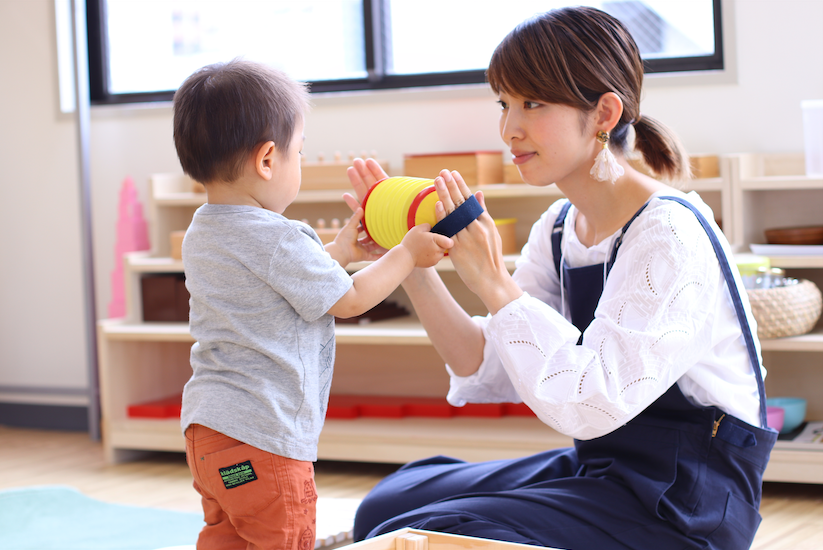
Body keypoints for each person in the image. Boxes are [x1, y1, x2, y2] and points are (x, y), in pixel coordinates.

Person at [345, 7, 776, 550]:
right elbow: (486, 363)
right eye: (504, 103)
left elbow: (591, 402)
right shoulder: (560, 227)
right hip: (602, 470)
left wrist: (495, 285)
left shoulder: (667, 235)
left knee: (425, 534)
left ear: (603, 113)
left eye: (533, 103)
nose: (509, 128)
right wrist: (408, 259)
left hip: (685, 503)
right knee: (389, 503)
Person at [173, 59, 453, 550]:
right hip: (265, 437)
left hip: (209, 434)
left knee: (227, 536)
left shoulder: (203, 230)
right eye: (298, 153)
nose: (298, 164)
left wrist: (341, 251)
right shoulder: (278, 237)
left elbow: (280, 287)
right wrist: (407, 253)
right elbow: (348, 300)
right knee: (282, 537)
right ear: (267, 160)